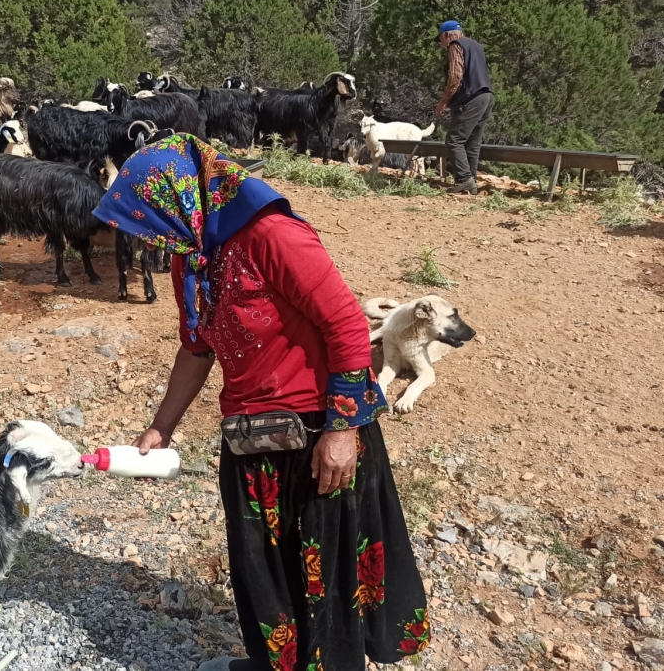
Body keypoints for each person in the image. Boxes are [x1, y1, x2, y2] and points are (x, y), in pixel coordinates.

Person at [94, 134, 429, 671]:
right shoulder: (194, 255)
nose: (145, 235)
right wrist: (161, 427)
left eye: (148, 218)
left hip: (319, 433)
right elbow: (196, 345)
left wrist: (341, 432)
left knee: (325, 573)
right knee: (265, 568)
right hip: (253, 440)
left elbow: (345, 323)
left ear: (180, 200)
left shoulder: (271, 235)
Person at [434, 20, 494, 195]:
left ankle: (464, 179)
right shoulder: (477, 46)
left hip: (471, 98)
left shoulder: (455, 45)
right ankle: (471, 181)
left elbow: (455, 76)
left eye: (440, 40)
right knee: (472, 143)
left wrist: (443, 102)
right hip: (487, 96)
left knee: (454, 140)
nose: (441, 45)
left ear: (446, 35)